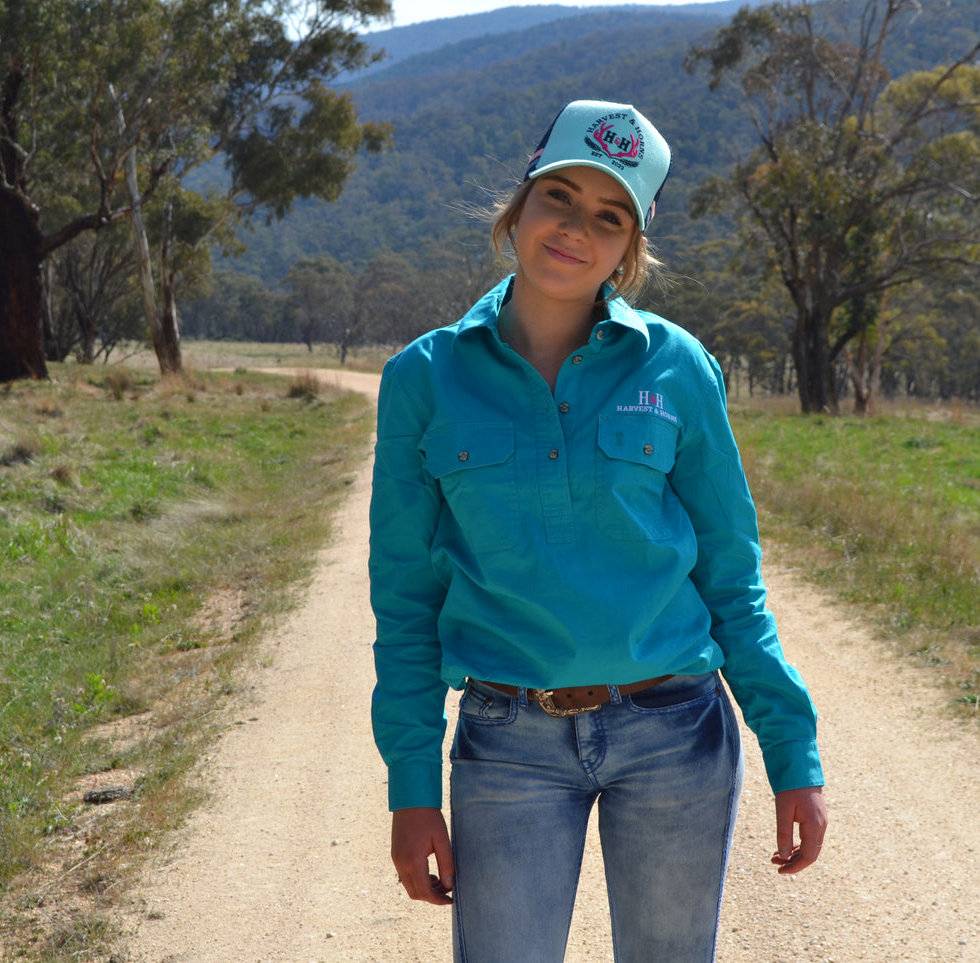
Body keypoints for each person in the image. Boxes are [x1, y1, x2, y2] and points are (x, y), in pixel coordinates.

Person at [369, 99, 826, 963]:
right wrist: (411, 786)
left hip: (677, 734)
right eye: (559, 199)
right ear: (519, 205)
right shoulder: (423, 377)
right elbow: (404, 597)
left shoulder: (677, 367)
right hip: (506, 741)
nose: (575, 229)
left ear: (630, 247)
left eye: (607, 217)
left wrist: (791, 750)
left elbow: (732, 575)